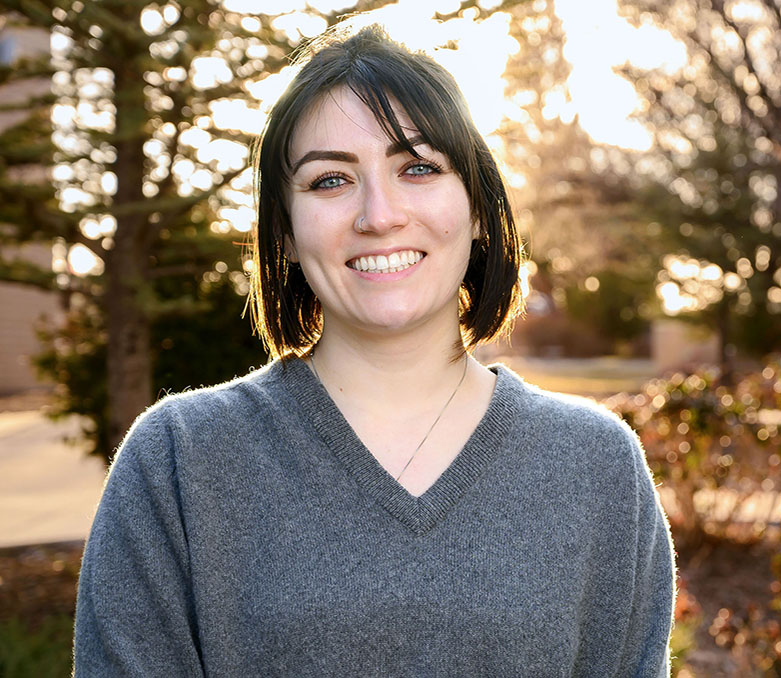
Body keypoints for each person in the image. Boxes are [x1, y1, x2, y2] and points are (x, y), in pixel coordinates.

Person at [74, 23, 676, 677]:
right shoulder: (177, 463)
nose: (378, 213)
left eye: (418, 167)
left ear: (478, 210)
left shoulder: (596, 467)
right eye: (330, 181)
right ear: (284, 230)